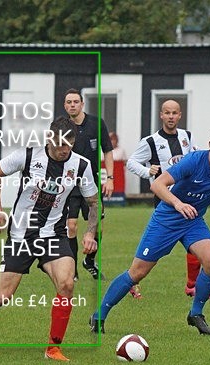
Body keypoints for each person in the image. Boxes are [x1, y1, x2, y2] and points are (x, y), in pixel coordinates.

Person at [0, 116, 99, 362]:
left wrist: (90, 232)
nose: (61, 150)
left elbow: (93, 202)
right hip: (21, 234)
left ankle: (53, 349)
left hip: (53, 234)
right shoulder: (28, 156)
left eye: (66, 146)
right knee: (3, 294)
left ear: (73, 142)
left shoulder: (81, 165)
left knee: (66, 284)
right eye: (56, 145)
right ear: (48, 138)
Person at [90, 125, 210, 336]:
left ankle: (196, 313)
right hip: (167, 218)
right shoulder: (193, 161)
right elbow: (158, 185)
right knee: (137, 272)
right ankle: (98, 316)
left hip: (193, 221)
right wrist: (178, 204)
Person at [125, 99, 210, 299]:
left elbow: (195, 156)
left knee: (196, 241)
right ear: (161, 115)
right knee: (152, 251)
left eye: (175, 113)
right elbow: (131, 162)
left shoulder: (186, 137)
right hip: (166, 200)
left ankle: (192, 285)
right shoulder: (150, 142)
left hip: (187, 198)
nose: (171, 116)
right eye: (167, 113)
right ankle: (132, 280)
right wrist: (147, 171)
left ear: (180, 115)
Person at [62, 88, 113, 281]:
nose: (72, 105)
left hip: (91, 185)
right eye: (69, 102)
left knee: (97, 226)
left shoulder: (96, 123)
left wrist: (110, 178)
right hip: (69, 185)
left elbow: (107, 150)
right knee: (71, 226)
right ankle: (71, 269)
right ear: (65, 105)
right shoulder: (61, 126)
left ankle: (89, 261)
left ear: (82, 104)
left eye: (76, 101)